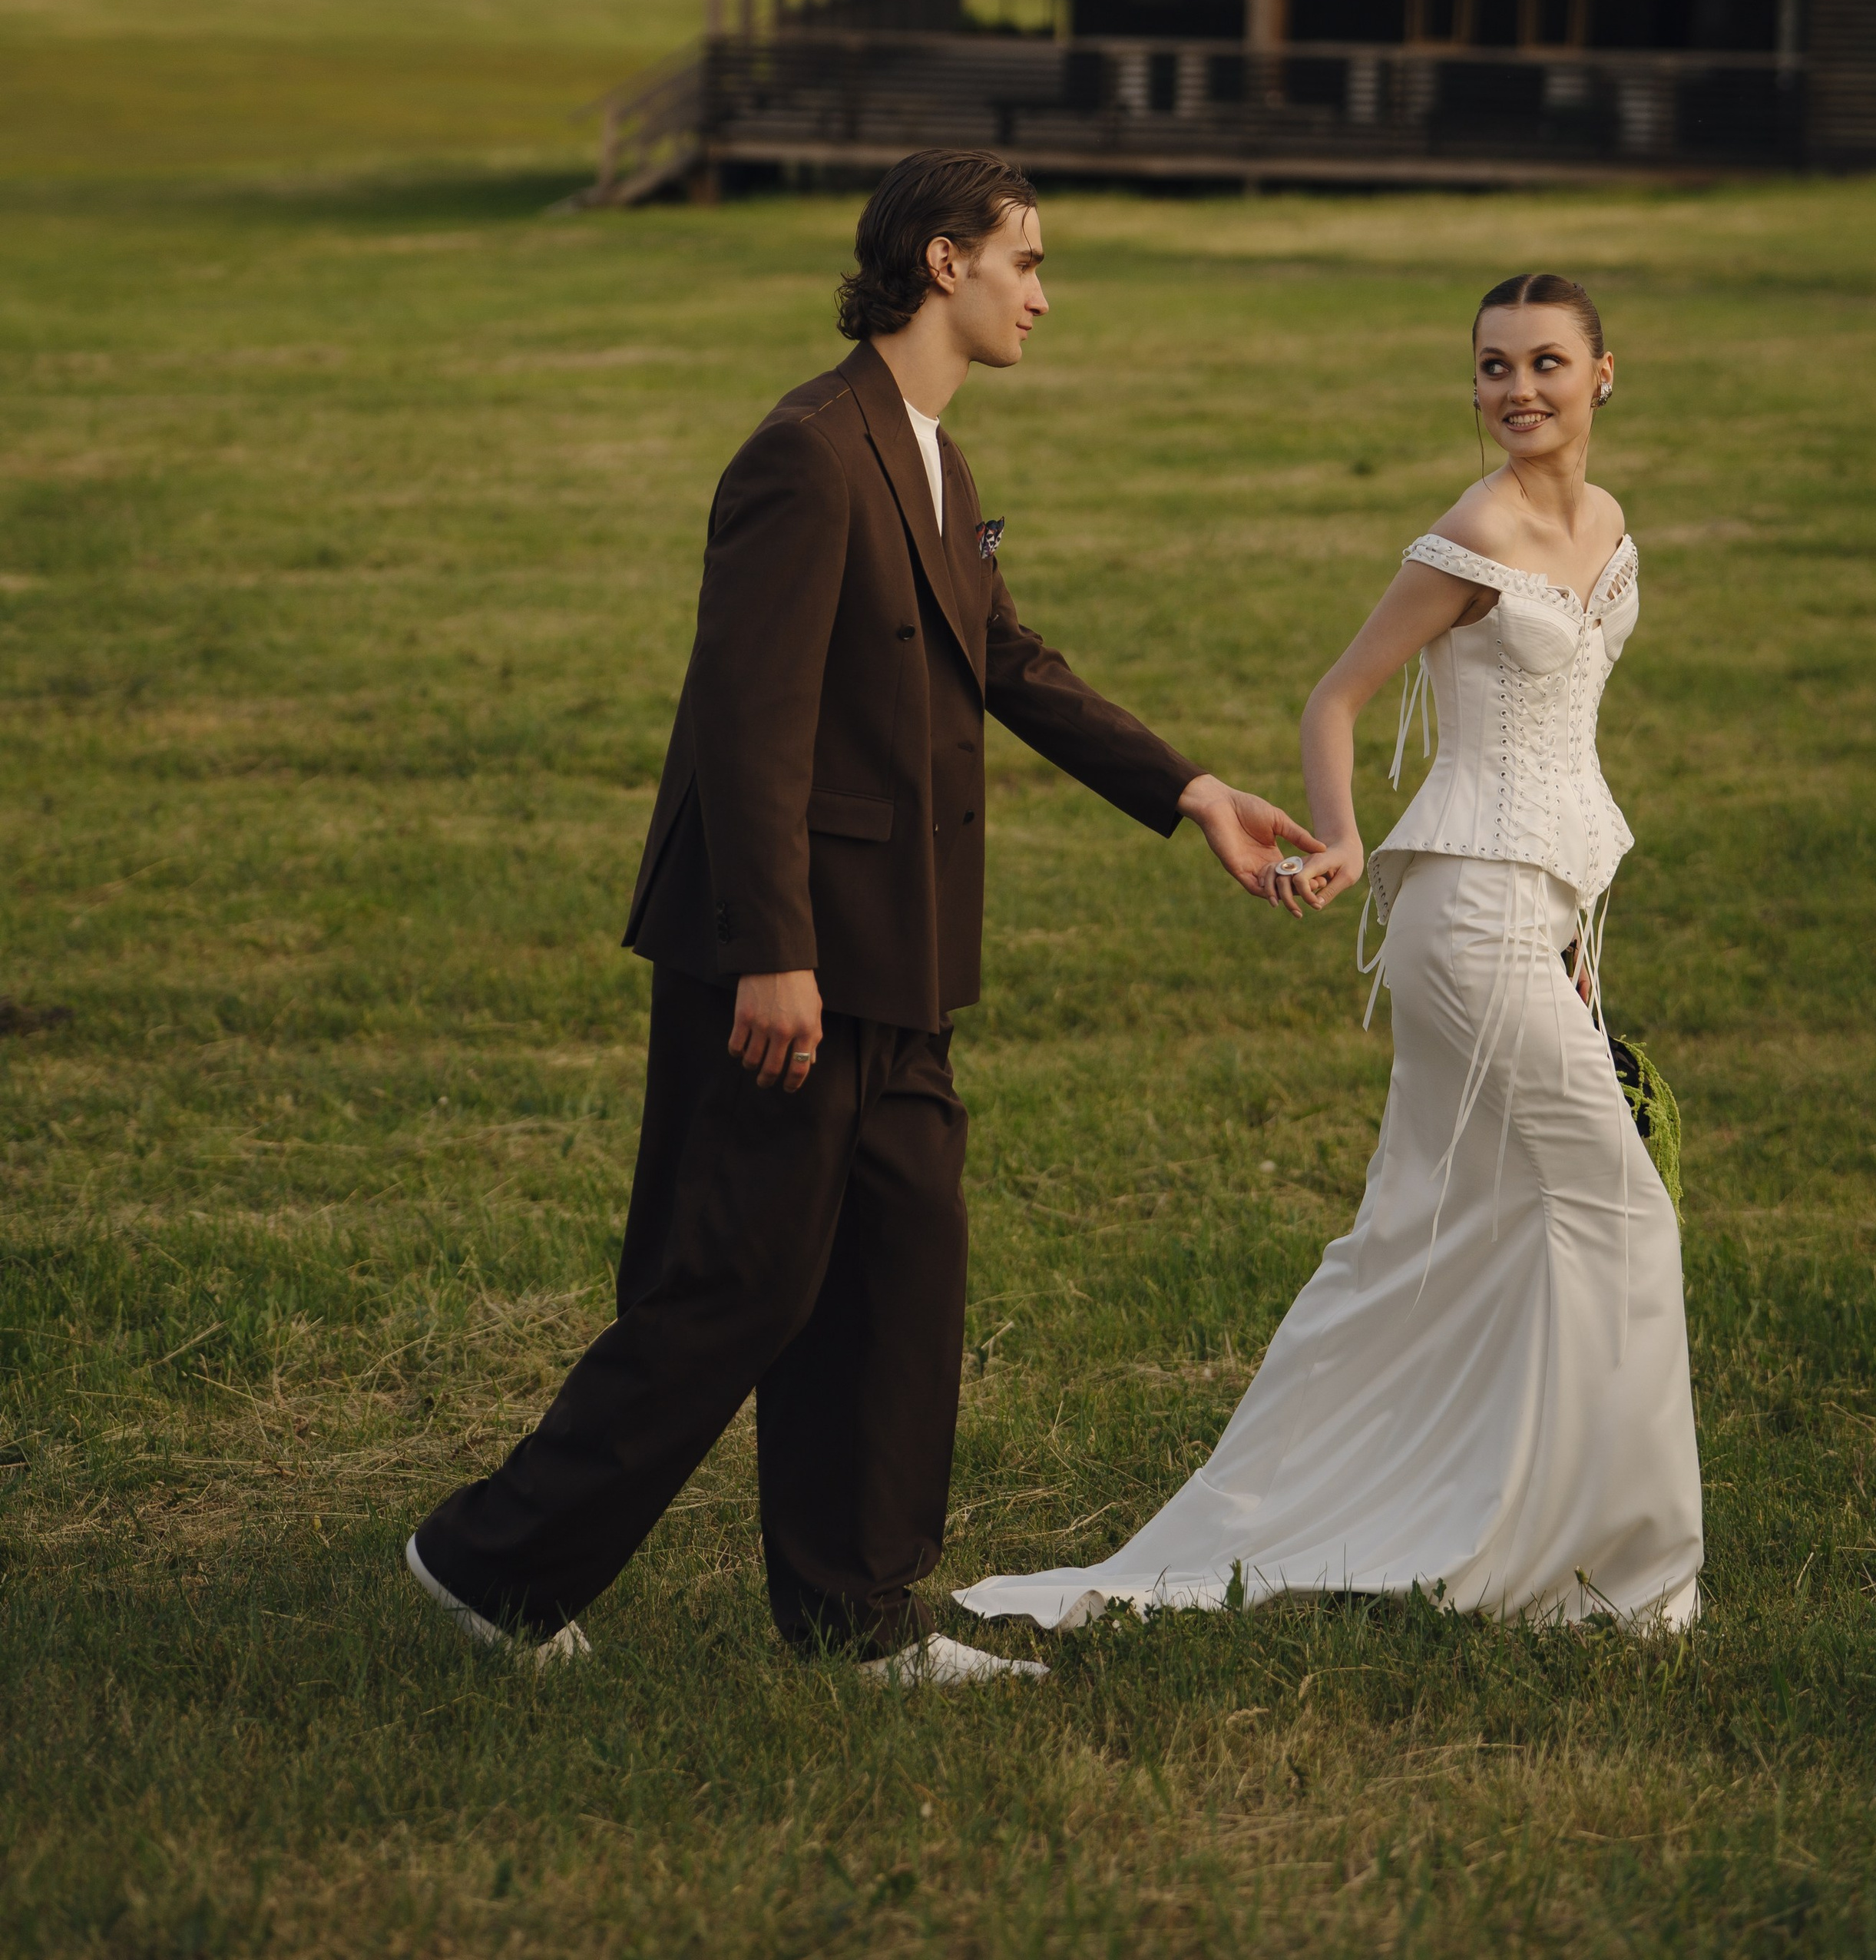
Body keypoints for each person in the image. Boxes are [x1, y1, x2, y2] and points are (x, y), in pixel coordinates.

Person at [405, 148, 1318, 1681]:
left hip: (899, 959)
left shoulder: (938, 461)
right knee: (735, 1288)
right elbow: (744, 725)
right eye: (1025, 260)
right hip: (791, 963)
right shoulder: (806, 455)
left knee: (898, 1285)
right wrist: (774, 951)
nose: (1042, 292)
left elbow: (1009, 665)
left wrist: (1190, 793)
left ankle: (856, 1618)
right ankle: (487, 1565)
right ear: (942, 263)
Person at [960, 270, 1703, 1637]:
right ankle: (1621, 1572)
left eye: (1545, 363)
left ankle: (1395, 1501)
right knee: (1619, 1209)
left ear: (1605, 374)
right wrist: (1347, 838)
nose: (1517, 391)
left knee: (1438, 1230)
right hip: (1461, 916)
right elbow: (1339, 694)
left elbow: (1569, 743)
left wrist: (1573, 936)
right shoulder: (1470, 534)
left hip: (1536, 914)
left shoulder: (1606, 526)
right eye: (1492, 369)